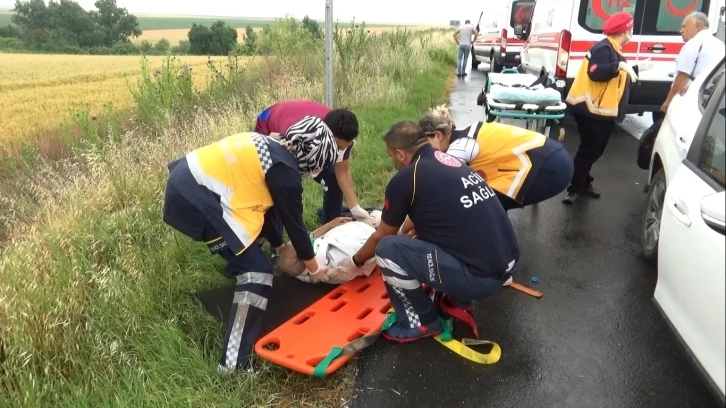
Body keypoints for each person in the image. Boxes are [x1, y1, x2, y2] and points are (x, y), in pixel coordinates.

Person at [161, 116, 340, 373]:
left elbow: (269, 211)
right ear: (313, 157)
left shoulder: (273, 147)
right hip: (197, 199)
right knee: (257, 271)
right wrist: (315, 269)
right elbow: (296, 225)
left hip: (189, 181)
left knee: (252, 242)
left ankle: (239, 273)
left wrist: (280, 248)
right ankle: (233, 364)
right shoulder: (285, 172)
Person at [338, 121, 520, 343]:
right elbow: (434, 217)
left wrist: (355, 262)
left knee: (388, 249)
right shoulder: (451, 163)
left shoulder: (407, 178)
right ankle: (459, 298)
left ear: (401, 154)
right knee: (423, 236)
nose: (392, 161)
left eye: (390, 156)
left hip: (480, 281)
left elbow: (382, 236)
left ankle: (420, 322)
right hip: (505, 265)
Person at [562, 11, 653, 205]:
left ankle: (584, 182)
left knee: (595, 151)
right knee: (589, 151)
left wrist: (635, 68)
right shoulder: (604, 48)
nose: (632, 33)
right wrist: (620, 66)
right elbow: (596, 72)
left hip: (602, 111)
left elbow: (615, 75)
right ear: (625, 30)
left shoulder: (613, 48)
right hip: (591, 110)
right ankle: (574, 189)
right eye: (631, 29)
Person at [417, 105, 574, 212]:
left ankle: (498, 246)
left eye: (426, 143)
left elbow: (439, 185)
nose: (425, 151)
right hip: (555, 154)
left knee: (477, 204)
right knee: (486, 201)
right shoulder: (467, 131)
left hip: (549, 166)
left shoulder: (458, 147)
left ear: (438, 135)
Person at [254, 99, 374, 226]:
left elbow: (342, 172)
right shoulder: (296, 134)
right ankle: (272, 233)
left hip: (305, 126)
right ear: (325, 137)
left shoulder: (343, 133)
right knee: (278, 184)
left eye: (345, 148)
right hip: (269, 124)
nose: (340, 153)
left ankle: (331, 226)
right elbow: (286, 179)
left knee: (332, 178)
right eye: (338, 147)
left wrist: (355, 208)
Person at [275, 212, 383, 284]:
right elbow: (359, 258)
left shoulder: (303, 265)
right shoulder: (334, 264)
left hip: (358, 231)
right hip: (368, 237)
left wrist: (331, 224)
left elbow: (311, 238)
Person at [661, 12, 725, 115]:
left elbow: (682, 76)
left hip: (688, 98)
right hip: (707, 100)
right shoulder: (720, 44)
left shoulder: (693, 44)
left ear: (698, 25)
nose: (681, 30)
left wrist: (668, 101)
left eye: (684, 26)